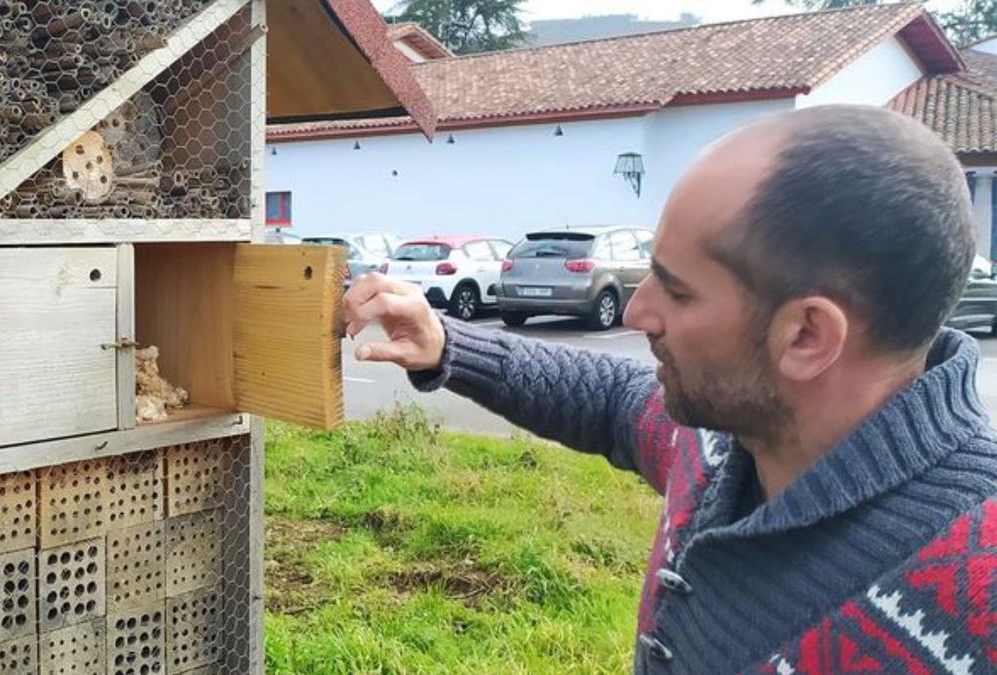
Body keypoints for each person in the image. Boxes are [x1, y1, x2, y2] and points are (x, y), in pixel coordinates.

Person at [342, 105, 997, 673]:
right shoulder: (720, 441)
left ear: (806, 336)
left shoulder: (977, 589)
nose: (634, 314)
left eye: (676, 290)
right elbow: (610, 398)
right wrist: (449, 344)